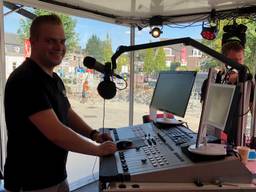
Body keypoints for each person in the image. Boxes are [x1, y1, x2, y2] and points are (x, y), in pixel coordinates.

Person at [4, 14, 117, 192]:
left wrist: (93, 134)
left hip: (55, 176)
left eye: (62, 41)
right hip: (30, 182)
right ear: (32, 42)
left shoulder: (53, 78)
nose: (59, 47)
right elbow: (56, 133)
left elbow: (67, 113)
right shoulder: (25, 80)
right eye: (50, 41)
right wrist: (97, 150)